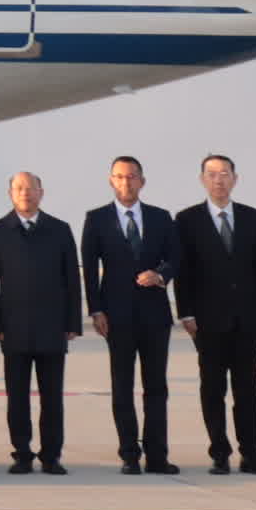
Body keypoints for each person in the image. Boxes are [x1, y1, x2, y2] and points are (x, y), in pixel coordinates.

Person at [79, 155, 183, 474]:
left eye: (132, 176)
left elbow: (177, 258)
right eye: (120, 177)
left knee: (156, 387)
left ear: (142, 181)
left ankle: (157, 455)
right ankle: (129, 454)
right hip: (117, 316)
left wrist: (160, 275)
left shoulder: (160, 217)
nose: (126, 182)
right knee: (122, 386)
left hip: (155, 315)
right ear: (112, 181)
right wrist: (96, 310)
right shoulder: (97, 219)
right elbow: (90, 271)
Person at [174, 156, 256, 475]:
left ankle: (251, 454)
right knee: (213, 388)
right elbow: (183, 270)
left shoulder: (251, 217)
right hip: (207, 320)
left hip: (247, 318)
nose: (219, 180)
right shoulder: (187, 219)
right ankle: (219, 452)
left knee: (248, 389)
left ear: (235, 179)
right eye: (212, 174)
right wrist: (186, 313)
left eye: (225, 174)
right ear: (202, 179)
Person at [0, 169, 79, 475]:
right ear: (11, 194)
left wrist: (72, 322)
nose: (25, 193)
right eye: (19, 188)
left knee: (52, 397)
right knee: (17, 396)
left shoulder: (59, 229)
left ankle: (51, 455)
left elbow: (72, 279)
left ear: (41, 193)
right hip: (13, 326)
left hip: (52, 326)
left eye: (31, 188)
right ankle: (22, 453)